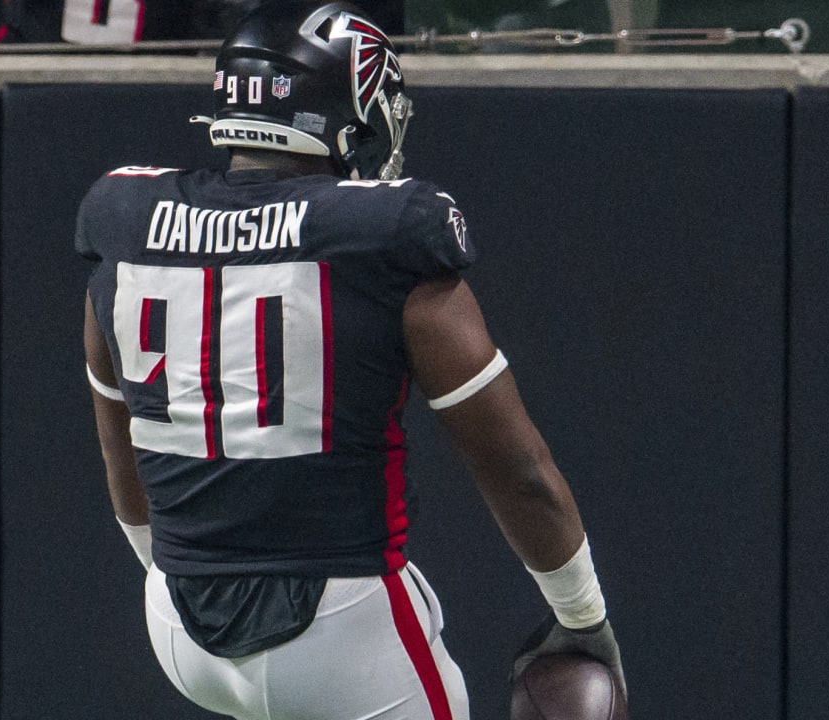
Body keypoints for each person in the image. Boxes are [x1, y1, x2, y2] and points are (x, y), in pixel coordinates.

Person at [77, 2, 625, 718]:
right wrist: (584, 618)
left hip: (178, 624)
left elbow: (122, 447)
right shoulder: (385, 236)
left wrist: (176, 574)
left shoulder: (127, 224)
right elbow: (520, 471)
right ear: (345, 112)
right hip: (336, 624)